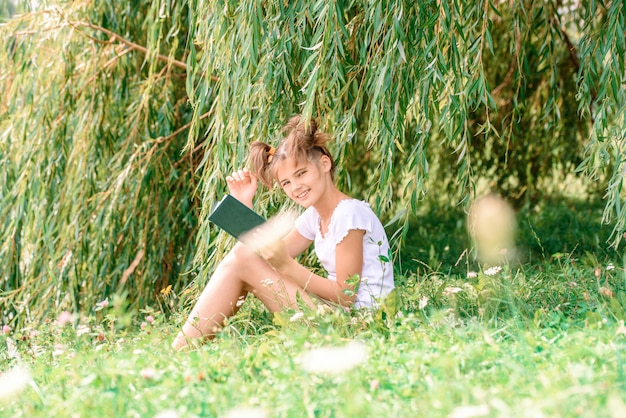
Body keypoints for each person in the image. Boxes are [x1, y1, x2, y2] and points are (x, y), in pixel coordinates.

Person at [172, 115, 394, 350]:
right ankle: (182, 349)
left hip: (361, 329)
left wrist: (286, 265)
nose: (295, 187)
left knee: (241, 258)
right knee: (242, 256)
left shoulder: (349, 214)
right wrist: (244, 203)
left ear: (325, 164)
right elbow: (261, 254)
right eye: (286, 183)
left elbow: (345, 295)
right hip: (338, 318)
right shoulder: (314, 217)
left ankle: (180, 351)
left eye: (301, 174)